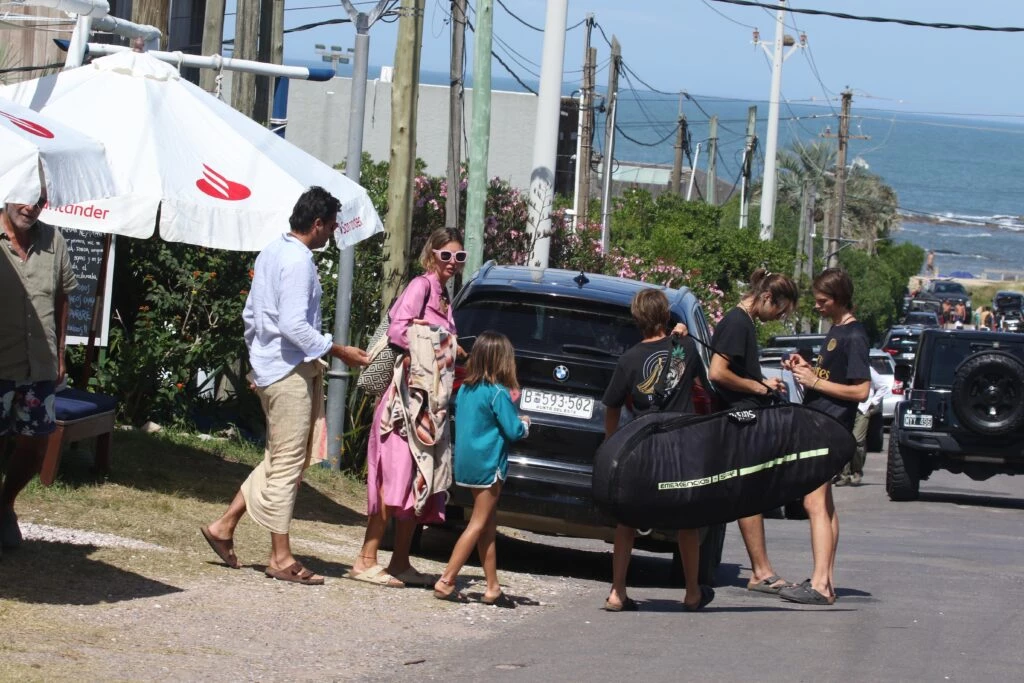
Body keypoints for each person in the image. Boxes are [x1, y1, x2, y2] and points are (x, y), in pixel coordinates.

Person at [201, 187, 369, 584]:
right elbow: (294, 325)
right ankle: (279, 557)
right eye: (330, 226)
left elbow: (251, 315)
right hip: (288, 373)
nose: (331, 233)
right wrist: (337, 349)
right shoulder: (297, 261)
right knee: (289, 464)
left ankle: (224, 526)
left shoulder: (271, 252)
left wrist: (259, 361)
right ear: (316, 224)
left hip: (277, 368)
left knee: (281, 458)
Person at [348, 227, 464, 588]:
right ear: (432, 254)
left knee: (420, 480)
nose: (452, 263)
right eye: (446, 255)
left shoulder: (444, 295)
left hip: (428, 403)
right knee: (392, 478)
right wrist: (442, 340)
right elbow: (399, 332)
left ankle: (400, 560)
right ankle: (366, 558)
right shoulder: (421, 286)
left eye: (459, 257)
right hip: (404, 401)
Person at [600, 289, 715, 612]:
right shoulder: (685, 349)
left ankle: (617, 592)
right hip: (679, 447)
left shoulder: (629, 359)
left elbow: (611, 406)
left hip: (642, 448)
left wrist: (612, 443)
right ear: (667, 317)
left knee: (626, 521)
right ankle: (692, 592)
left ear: (636, 319)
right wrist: (681, 337)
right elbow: (707, 383)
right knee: (686, 522)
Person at [708, 268, 799, 596]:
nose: (778, 317)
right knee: (748, 494)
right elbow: (718, 372)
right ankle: (760, 572)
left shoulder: (742, 322)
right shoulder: (736, 322)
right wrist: (760, 387)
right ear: (766, 297)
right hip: (738, 417)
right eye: (780, 309)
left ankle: (761, 570)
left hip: (742, 414)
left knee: (748, 493)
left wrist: (761, 385)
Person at [782, 268, 870, 605]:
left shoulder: (855, 336)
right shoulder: (837, 331)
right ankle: (826, 579)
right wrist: (805, 369)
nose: (817, 305)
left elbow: (861, 390)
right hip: (821, 421)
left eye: (822, 300)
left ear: (838, 298)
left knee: (813, 502)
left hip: (831, 427)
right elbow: (830, 377)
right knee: (826, 505)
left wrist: (815, 383)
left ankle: (819, 585)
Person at [0, 188, 77, 559]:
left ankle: (5, 505)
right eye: (24, 198)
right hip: (1, 362)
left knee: (34, 445)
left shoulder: (53, 239)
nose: (31, 207)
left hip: (40, 364)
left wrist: (60, 353)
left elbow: (63, 295)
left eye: (40, 201)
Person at [432, 331, 528, 608]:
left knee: (487, 524)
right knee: (477, 523)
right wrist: (525, 423)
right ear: (503, 361)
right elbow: (513, 429)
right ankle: (447, 580)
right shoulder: (498, 393)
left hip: (467, 462)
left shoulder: (465, 390)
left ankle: (492, 587)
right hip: (490, 464)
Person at [836, 365, 888, 487]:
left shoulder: (867, 369)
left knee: (857, 441)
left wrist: (873, 403)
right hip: (845, 409)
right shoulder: (842, 367)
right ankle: (844, 475)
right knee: (843, 440)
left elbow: (883, 386)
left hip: (862, 409)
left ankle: (857, 472)